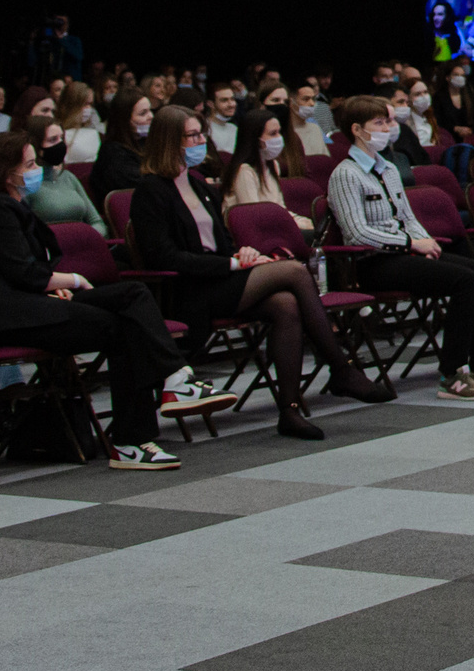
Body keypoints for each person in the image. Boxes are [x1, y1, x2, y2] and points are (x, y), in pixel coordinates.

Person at [0, 131, 228, 471]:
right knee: (121, 326)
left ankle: (170, 387)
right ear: (4, 173)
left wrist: (52, 285)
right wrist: (70, 280)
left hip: (34, 305)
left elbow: (30, 269)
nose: (35, 169)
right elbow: (24, 274)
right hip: (9, 318)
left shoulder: (15, 206)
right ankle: (141, 428)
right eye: (28, 164)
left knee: (132, 294)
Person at [132, 106, 391, 438]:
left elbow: (221, 240)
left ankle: (290, 410)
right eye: (193, 136)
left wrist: (241, 253)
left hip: (221, 280)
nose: (201, 141)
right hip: (191, 290)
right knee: (294, 272)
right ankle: (341, 369)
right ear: (170, 141)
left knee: (286, 305)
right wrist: (229, 263)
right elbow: (162, 257)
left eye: (202, 134)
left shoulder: (196, 184)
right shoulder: (151, 191)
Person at [325, 96, 474, 402]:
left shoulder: (387, 168)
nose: (389, 127)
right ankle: (452, 375)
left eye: (389, 121)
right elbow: (356, 232)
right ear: (358, 130)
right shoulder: (345, 174)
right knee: (464, 280)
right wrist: (410, 243)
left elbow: (407, 217)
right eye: (381, 122)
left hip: (404, 254)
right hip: (371, 263)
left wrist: (423, 242)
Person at [223, 107, 312, 233]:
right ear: (256, 139)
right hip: (254, 236)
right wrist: (293, 223)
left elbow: (280, 207)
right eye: (272, 133)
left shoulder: (273, 165)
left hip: (274, 227)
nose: (279, 137)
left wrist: (300, 221)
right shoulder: (244, 171)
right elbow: (254, 216)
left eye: (279, 132)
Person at [23, 114, 105, 228]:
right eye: (53, 140)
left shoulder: (68, 177)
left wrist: (90, 239)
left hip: (84, 241)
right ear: (35, 145)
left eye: (61, 138)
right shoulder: (27, 185)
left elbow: (96, 221)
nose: (61, 144)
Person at [90, 90, 153, 204]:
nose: (151, 117)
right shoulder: (113, 153)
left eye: (150, 111)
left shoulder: (145, 143)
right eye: (143, 113)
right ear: (125, 120)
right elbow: (145, 186)